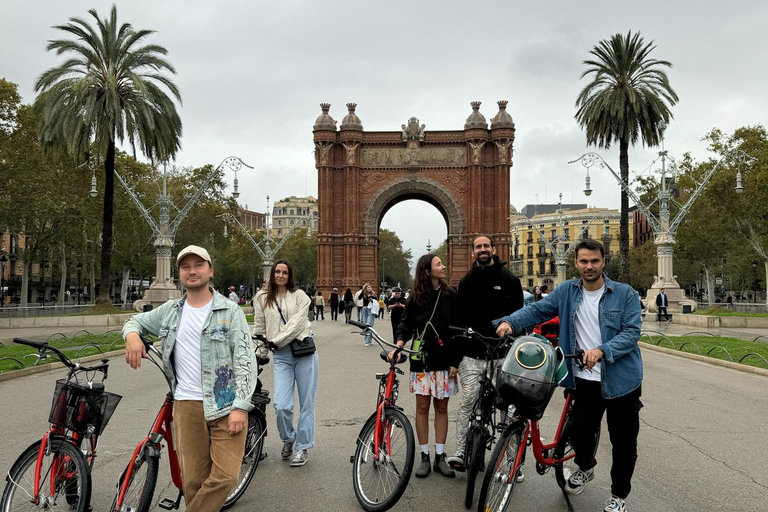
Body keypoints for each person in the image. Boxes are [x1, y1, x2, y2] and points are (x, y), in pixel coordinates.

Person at [494, 239, 643, 512]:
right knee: (580, 433)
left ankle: (618, 496)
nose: (589, 266)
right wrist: (509, 321)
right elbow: (537, 310)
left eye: (594, 261)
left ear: (603, 263)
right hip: (584, 379)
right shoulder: (567, 291)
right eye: (584, 261)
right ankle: (585, 467)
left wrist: (601, 350)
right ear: (576, 263)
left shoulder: (625, 294)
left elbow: (632, 333)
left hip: (622, 380)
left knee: (623, 442)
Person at [123, 245, 256, 512]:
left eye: (198, 265)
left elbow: (244, 362)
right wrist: (132, 337)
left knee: (226, 477)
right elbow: (133, 321)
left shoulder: (230, 312)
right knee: (193, 481)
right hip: (186, 406)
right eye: (186, 267)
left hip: (225, 405)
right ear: (180, 273)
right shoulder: (170, 311)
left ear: (210, 271)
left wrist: (241, 406)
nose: (192, 271)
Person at [447, 235, 524, 471]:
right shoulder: (467, 281)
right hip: (472, 355)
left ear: (493, 249)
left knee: (507, 408)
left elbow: (520, 316)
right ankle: (460, 450)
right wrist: (455, 358)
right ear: (473, 252)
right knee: (468, 401)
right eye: (478, 247)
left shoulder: (509, 280)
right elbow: (459, 319)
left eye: (486, 246)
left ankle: (512, 463)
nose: (482, 250)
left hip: (502, 354)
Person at [388, 254, 460, 479]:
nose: (444, 266)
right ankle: (424, 456)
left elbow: (458, 329)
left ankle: (440, 456)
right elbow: (406, 325)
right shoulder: (415, 297)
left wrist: (455, 361)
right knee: (421, 408)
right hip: (421, 361)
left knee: (441, 408)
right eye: (439, 264)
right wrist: (399, 345)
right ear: (427, 271)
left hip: (444, 362)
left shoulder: (450, 295)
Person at [252, 260, 319, 467]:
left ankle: (302, 447)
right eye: (277, 272)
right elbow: (259, 327)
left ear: (290, 276)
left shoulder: (300, 297)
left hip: (304, 353)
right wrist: (259, 352)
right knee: (281, 405)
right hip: (281, 356)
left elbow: (296, 324)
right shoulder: (262, 298)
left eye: (285, 272)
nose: (280, 275)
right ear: (272, 274)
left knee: (307, 403)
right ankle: (289, 438)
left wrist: (275, 341)